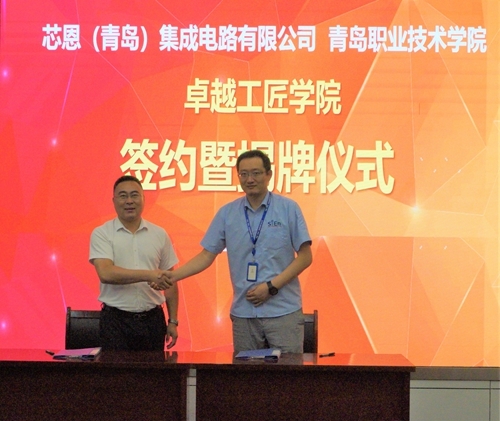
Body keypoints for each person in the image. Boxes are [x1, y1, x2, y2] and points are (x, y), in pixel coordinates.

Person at [158, 149, 312, 353]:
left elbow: (305, 257)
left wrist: (271, 287)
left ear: (269, 175)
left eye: (256, 173)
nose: (250, 179)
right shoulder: (227, 213)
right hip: (244, 312)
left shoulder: (288, 208)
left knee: (287, 371)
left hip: (283, 311)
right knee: (245, 371)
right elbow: (206, 255)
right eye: (244, 174)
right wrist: (173, 276)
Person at [89, 175, 178, 351]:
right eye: (123, 196)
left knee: (153, 369)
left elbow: (171, 281)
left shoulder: (159, 234)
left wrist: (173, 321)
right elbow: (106, 274)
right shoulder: (102, 233)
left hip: (152, 321)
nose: (129, 201)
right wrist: (149, 275)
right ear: (114, 201)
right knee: (115, 369)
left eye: (134, 195)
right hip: (115, 321)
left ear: (143, 199)